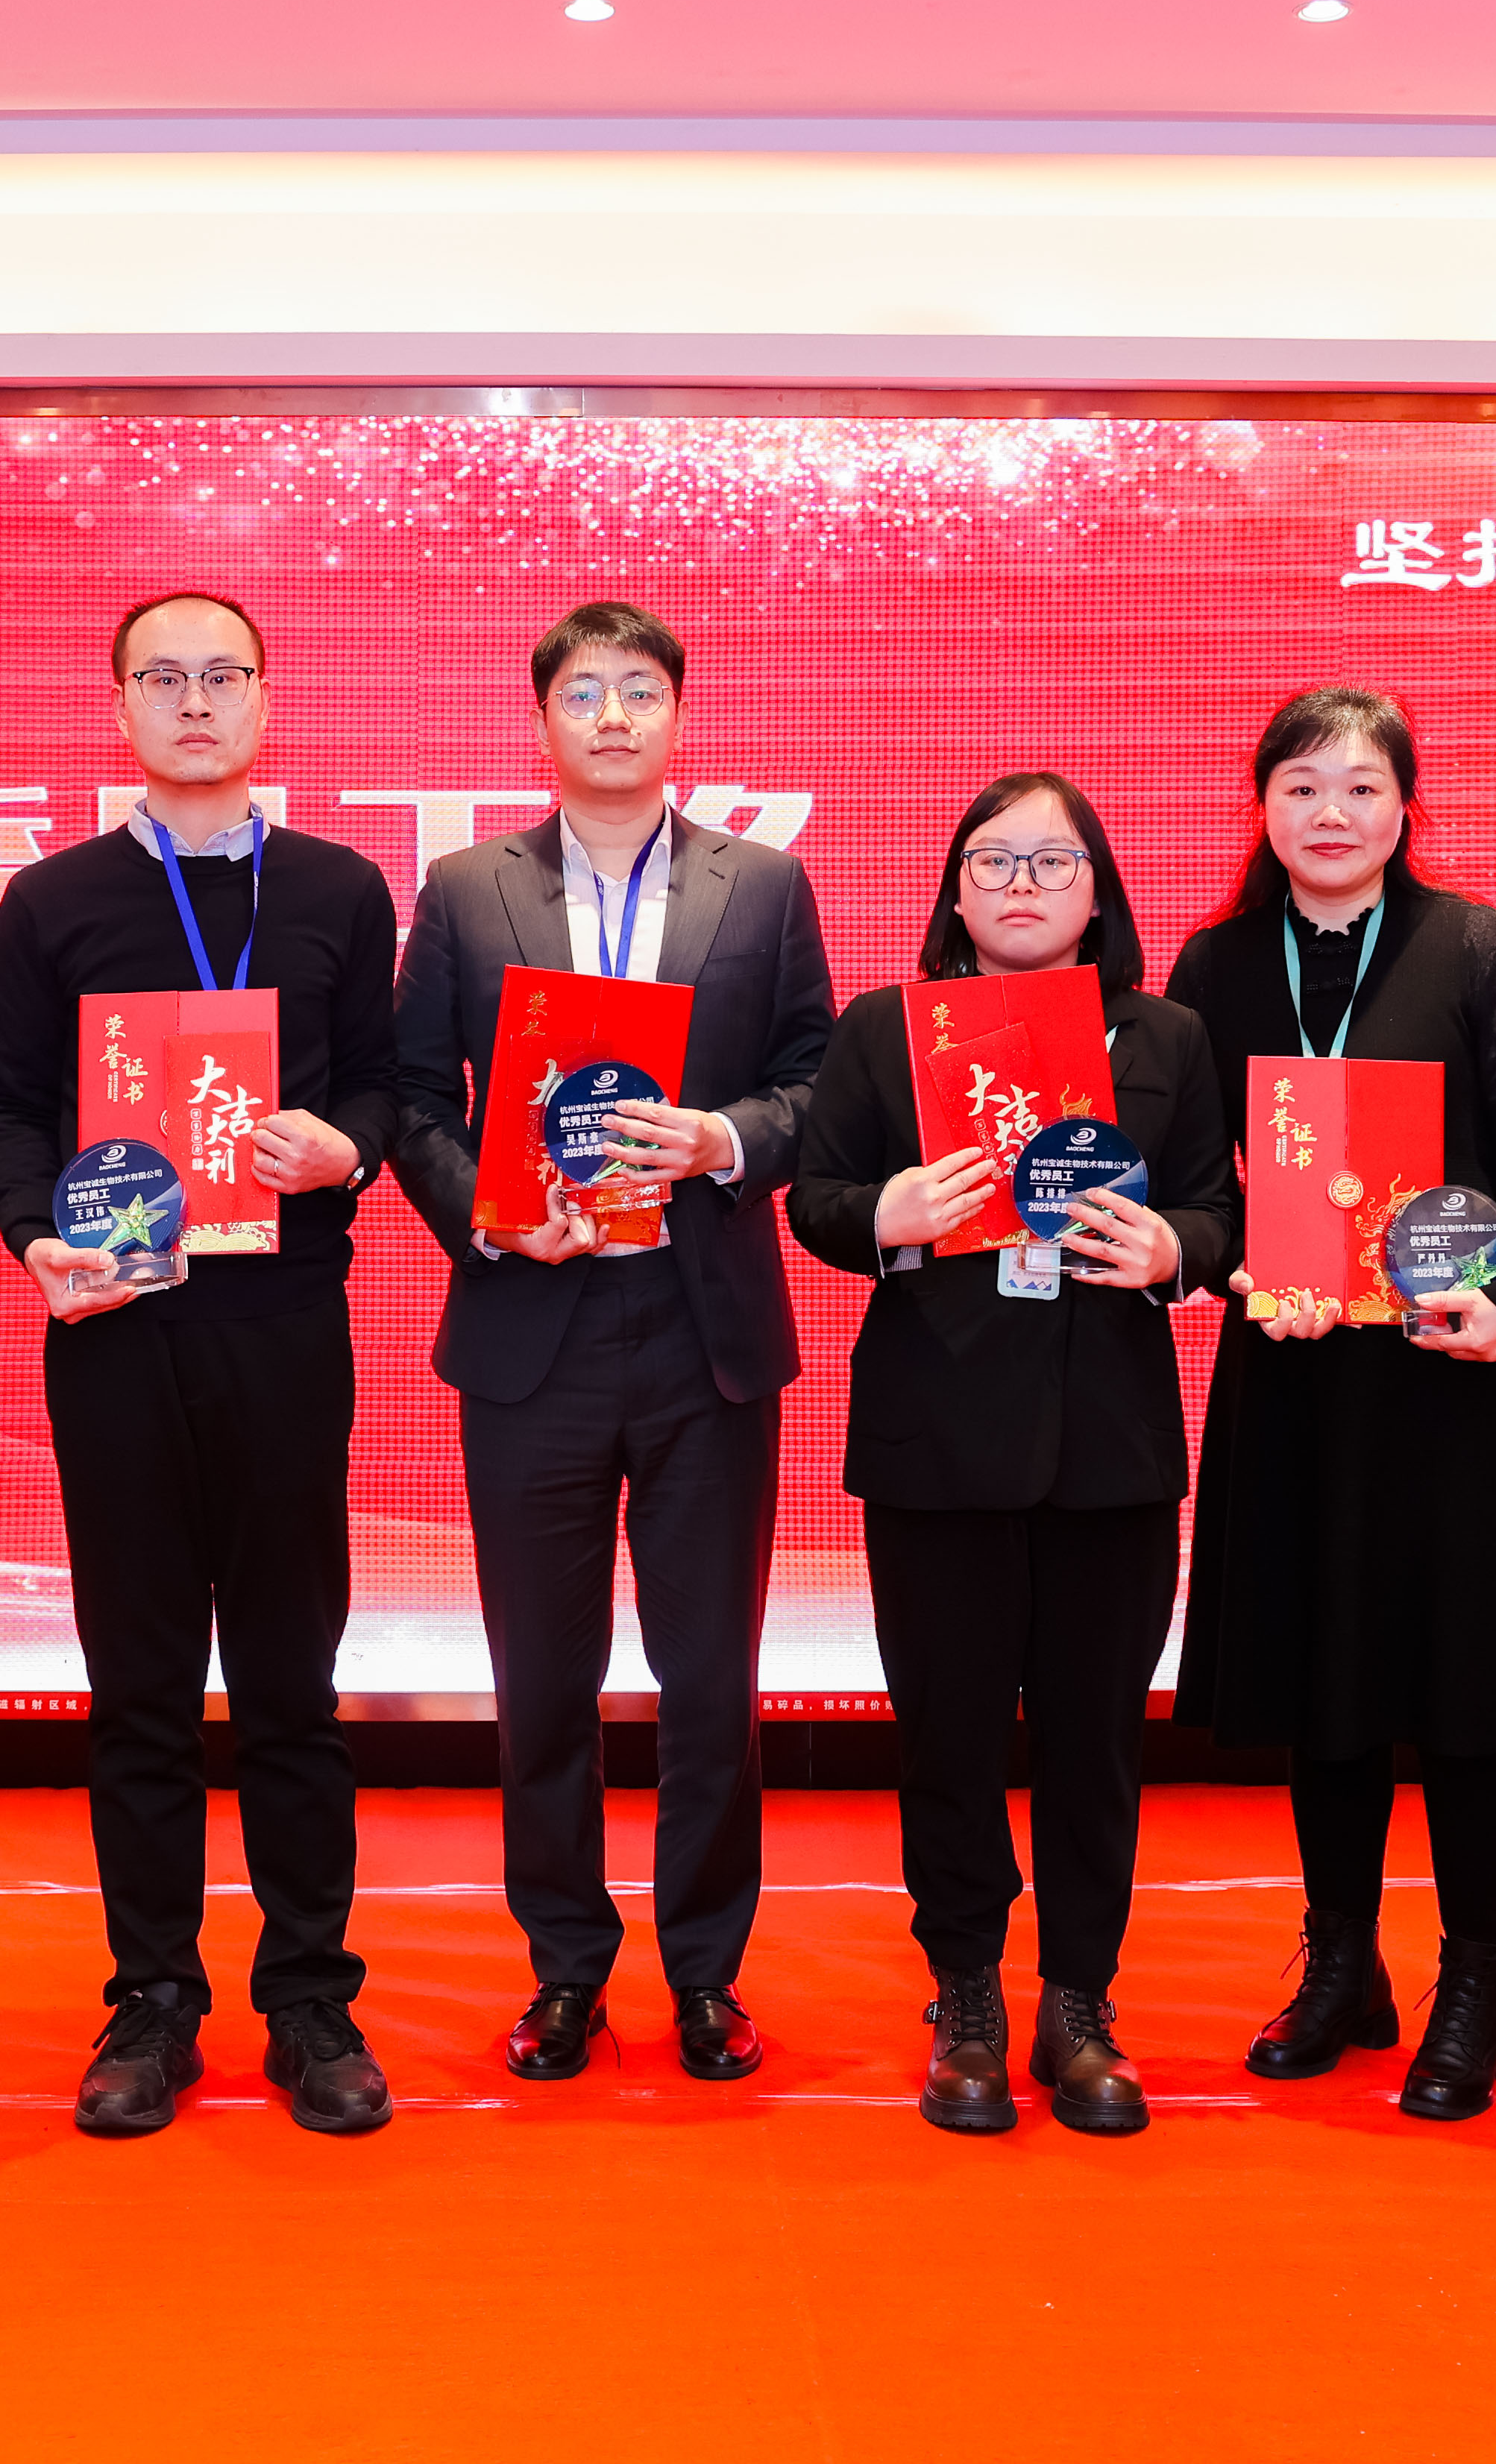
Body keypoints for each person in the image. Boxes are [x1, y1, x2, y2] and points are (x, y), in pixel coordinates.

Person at [391, 602, 835, 2088]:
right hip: (534, 1329)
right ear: (543, 724)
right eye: (584, 694)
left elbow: (815, 1078)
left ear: (678, 717)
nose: (614, 718)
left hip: (707, 1331)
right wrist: (491, 1218)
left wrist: (724, 1138)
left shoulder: (763, 885)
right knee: (544, 1679)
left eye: (641, 691)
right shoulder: (468, 889)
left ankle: (707, 1975)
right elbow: (415, 1100)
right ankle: (566, 1970)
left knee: (712, 1682)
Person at [0, 592, 406, 2136]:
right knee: (140, 1685)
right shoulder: (54, 899)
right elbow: (13, 1107)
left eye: (223, 675)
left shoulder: (340, 888)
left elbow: (385, 1080)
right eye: (162, 678)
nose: (195, 702)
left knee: (293, 1681)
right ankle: (155, 1997)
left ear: (266, 699)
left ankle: (310, 1997)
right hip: (114, 1328)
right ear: (120, 708)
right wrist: (34, 1235)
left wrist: (345, 1148)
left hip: (284, 1326)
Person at [1167, 688, 1496, 2126]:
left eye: (1361, 787)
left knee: (1472, 1692)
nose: (1332, 814)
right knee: (1327, 1682)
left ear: (1404, 808)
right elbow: (1200, 1178)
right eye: (1302, 786)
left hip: (1461, 1372)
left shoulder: (1474, 946)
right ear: (1263, 807)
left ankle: (1474, 1981)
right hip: (1299, 1372)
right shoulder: (1220, 962)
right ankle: (1344, 1966)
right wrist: (1230, 1265)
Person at [787, 772, 1234, 2134]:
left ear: (1099, 891)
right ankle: (968, 1993)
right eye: (994, 862)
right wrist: (892, 1213)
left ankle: (1080, 2001)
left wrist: (1173, 1250)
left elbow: (1219, 1209)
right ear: (955, 890)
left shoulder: (1168, 1036)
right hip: (936, 1441)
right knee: (951, 1734)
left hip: (1111, 1445)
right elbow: (816, 1199)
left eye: (1053, 862)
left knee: (1098, 1741)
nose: (1023, 885)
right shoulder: (886, 1030)